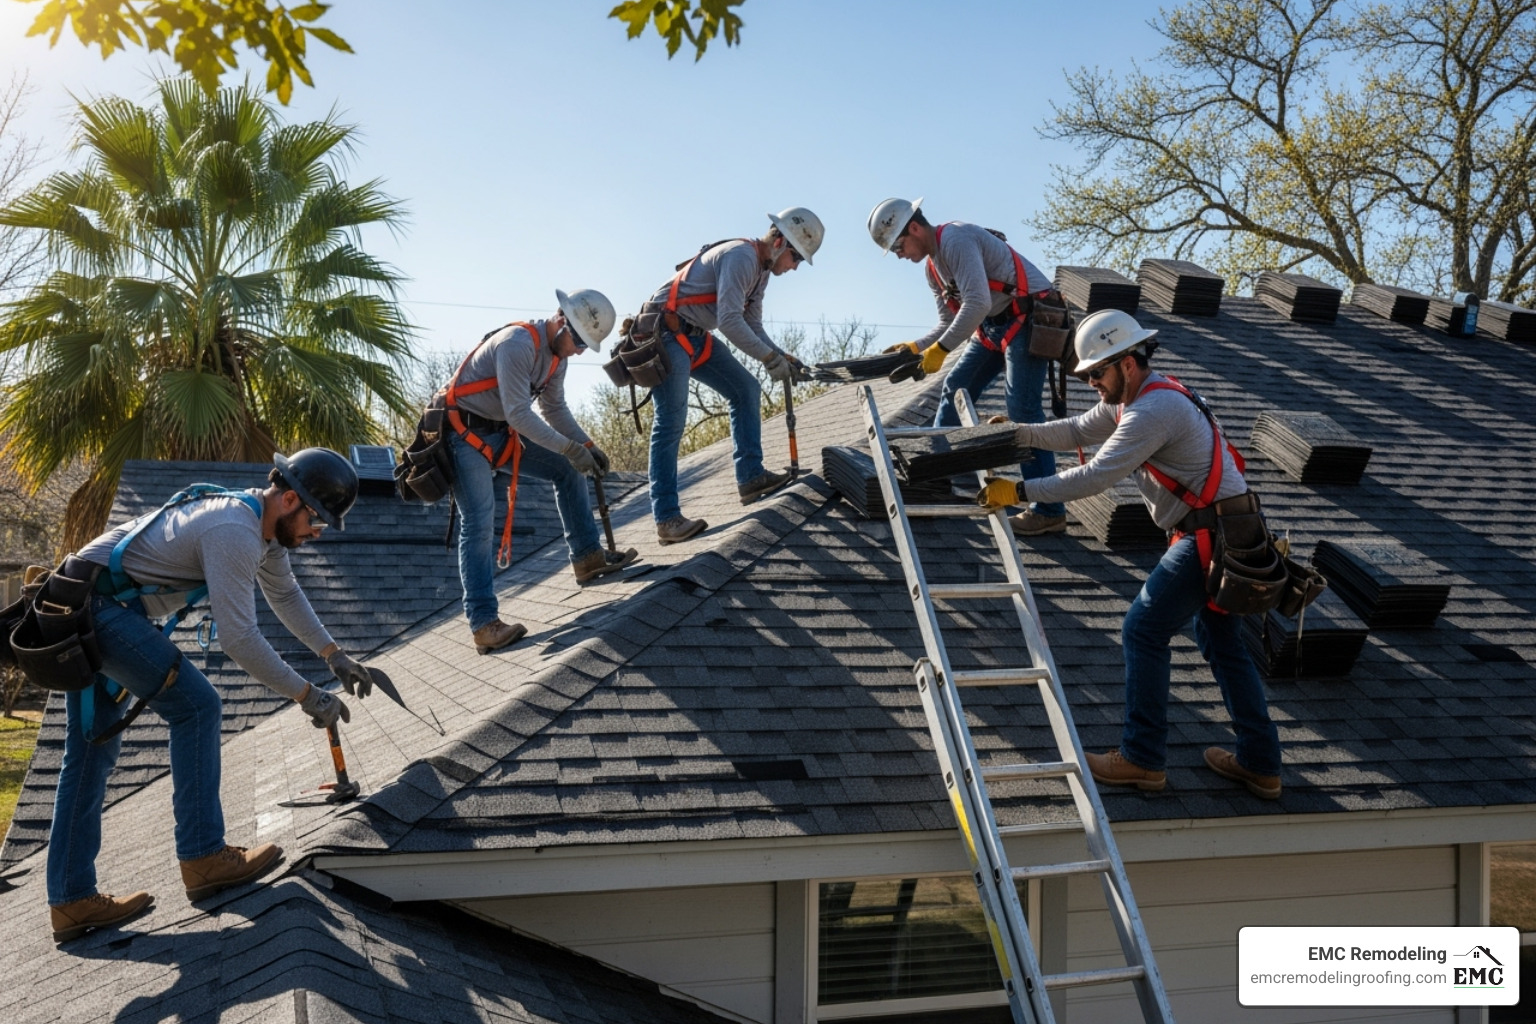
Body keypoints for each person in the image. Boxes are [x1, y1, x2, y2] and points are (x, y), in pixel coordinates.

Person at [47, 448, 375, 941]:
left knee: (93, 747)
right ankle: (203, 856)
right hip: (92, 607)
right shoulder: (234, 531)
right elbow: (239, 640)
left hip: (86, 603)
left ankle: (71, 898)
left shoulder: (261, 530)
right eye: (316, 520)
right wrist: (308, 695)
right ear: (290, 500)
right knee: (197, 706)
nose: (316, 533)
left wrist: (334, 655)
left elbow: (285, 595)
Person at [975, 309, 1284, 799]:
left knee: (1142, 629)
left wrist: (1020, 490)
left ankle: (1141, 758)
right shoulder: (1135, 398)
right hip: (1229, 530)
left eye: (1097, 372)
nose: (1092, 382)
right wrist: (1020, 432)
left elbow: (1095, 475)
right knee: (1222, 643)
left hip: (1212, 535)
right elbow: (1076, 430)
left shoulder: (1151, 410)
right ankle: (1261, 763)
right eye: (1087, 374)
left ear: (1127, 363)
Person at [444, 288, 639, 654]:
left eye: (586, 346)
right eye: (578, 342)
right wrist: (570, 448)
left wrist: (587, 445)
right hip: (462, 435)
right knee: (480, 521)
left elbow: (555, 410)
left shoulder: (557, 359)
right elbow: (519, 413)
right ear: (561, 320)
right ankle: (484, 624)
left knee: (567, 469)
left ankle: (587, 558)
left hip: (499, 433)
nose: (579, 351)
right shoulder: (517, 344)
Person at [867, 197, 1067, 536]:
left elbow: (977, 302)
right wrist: (917, 347)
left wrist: (941, 350)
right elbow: (948, 322)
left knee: (1023, 408)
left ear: (914, 228)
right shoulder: (933, 268)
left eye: (898, 246)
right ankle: (933, 478)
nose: (899, 255)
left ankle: (1048, 509)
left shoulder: (956, 239)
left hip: (1030, 317)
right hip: (993, 325)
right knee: (955, 387)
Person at [635, 208, 823, 544]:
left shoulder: (761, 272)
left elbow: (752, 325)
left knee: (745, 389)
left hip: (694, 335)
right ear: (779, 242)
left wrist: (781, 355)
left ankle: (751, 478)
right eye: (796, 257)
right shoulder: (741, 258)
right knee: (671, 421)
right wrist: (769, 358)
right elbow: (730, 321)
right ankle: (667, 519)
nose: (795, 267)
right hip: (665, 333)